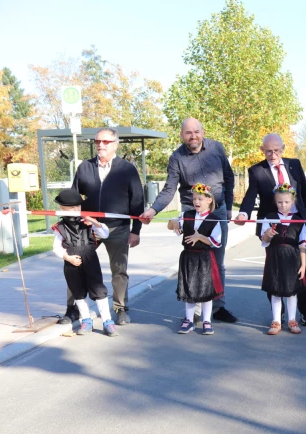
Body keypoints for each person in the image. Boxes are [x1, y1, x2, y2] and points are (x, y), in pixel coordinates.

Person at [139, 118, 237, 323]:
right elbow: (169, 189)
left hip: (217, 212)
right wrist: (153, 210)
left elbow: (229, 178)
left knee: (216, 262)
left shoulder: (217, 148)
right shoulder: (176, 157)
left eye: (196, 132)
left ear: (203, 131)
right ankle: (196, 307)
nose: (193, 136)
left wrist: (227, 207)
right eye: (188, 133)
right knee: (195, 260)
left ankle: (217, 308)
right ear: (182, 135)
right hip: (192, 213)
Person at [60, 128, 144, 326]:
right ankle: (72, 309)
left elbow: (138, 201)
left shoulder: (127, 169)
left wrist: (136, 230)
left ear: (115, 144)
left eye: (106, 142)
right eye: (98, 141)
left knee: (119, 270)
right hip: (87, 230)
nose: (101, 145)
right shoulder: (84, 168)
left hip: (118, 229)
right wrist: (71, 227)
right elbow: (73, 198)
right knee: (75, 265)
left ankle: (121, 309)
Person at [236, 133, 306, 326]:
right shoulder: (256, 170)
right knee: (274, 271)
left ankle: (304, 311)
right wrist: (244, 214)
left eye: (276, 151)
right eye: (268, 151)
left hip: (296, 224)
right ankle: (277, 316)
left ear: (283, 149)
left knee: (300, 271)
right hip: (272, 224)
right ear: (262, 150)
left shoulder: (294, 164)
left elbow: (304, 193)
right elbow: (250, 195)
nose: (272, 155)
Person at [52, 188, 116, 336]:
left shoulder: (88, 221)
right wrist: (68, 257)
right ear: (62, 209)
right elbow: (56, 247)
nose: (76, 210)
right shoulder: (60, 227)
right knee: (78, 291)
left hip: (90, 258)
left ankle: (108, 321)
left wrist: (94, 222)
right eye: (71, 207)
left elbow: (105, 234)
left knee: (98, 289)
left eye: (78, 206)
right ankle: (86, 320)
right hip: (72, 261)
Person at [171, 183, 223, 335]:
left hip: (205, 258)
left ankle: (207, 321)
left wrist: (200, 237)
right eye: (194, 199)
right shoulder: (186, 215)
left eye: (200, 199)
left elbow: (216, 242)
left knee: (206, 290)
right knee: (189, 289)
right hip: (188, 257)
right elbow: (174, 228)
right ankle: (189, 320)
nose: (196, 202)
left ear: (209, 200)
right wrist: (173, 221)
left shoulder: (214, 219)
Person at [260, 184, 306, 335]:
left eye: (286, 202)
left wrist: (303, 265)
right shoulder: (268, 218)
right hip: (274, 258)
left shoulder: (298, 220)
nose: (283, 205)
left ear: (293, 202)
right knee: (275, 290)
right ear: (275, 202)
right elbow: (264, 240)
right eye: (280, 202)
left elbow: (302, 245)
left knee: (292, 291)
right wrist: (269, 234)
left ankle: (292, 320)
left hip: (292, 259)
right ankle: (276, 321)